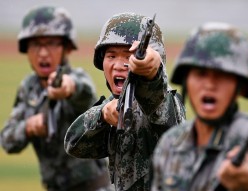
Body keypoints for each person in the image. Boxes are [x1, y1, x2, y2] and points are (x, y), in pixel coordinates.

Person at [151, 22, 248, 190]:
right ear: (186, 81)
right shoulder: (171, 143)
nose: (210, 85)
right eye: (201, 74)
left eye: (222, 76)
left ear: (241, 87)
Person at [64, 12, 186, 191]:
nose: (119, 65)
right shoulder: (112, 106)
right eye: (111, 56)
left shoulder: (166, 102)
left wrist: (151, 73)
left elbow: (157, 101)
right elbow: (74, 145)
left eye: (128, 56)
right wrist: (103, 115)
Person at [0, 5, 113, 191]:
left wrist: (67, 88)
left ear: (67, 48)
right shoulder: (28, 89)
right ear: (26, 49)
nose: (43, 53)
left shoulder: (78, 78)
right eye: (36, 44)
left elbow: (83, 91)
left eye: (52, 43)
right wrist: (28, 127)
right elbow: (7, 140)